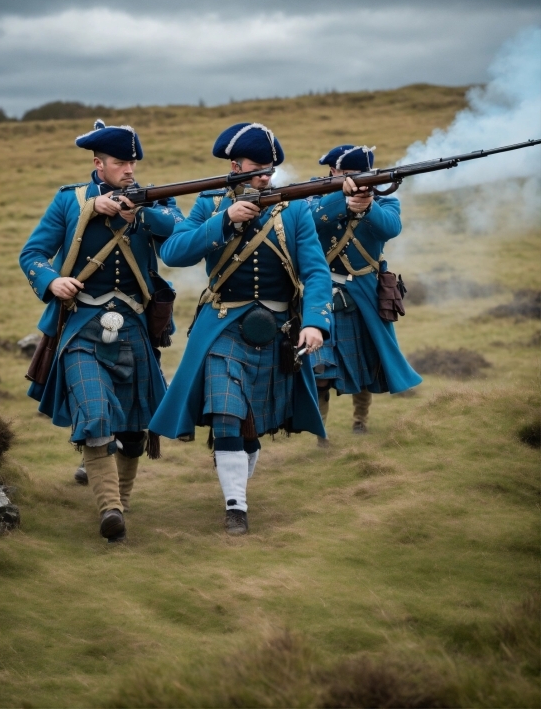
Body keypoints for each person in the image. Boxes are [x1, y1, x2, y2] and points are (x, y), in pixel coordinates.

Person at [148, 122, 332, 536]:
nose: (265, 178)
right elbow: (175, 252)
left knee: (251, 429)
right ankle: (236, 507)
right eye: (256, 169)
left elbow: (317, 274)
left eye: (269, 170)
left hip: (277, 331)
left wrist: (318, 322)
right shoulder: (210, 203)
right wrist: (224, 221)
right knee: (227, 417)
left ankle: (237, 489)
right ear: (234, 166)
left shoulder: (294, 208)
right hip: (221, 327)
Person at [19, 120, 183, 542]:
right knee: (95, 415)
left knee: (133, 428)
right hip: (80, 325)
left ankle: (121, 501)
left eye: (132, 162)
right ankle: (110, 510)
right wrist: (52, 282)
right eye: (120, 162)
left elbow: (180, 236)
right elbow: (33, 253)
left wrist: (139, 210)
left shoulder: (154, 203)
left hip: (134, 326)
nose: (129, 169)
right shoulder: (70, 201)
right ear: (98, 164)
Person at [307, 144, 421, 436]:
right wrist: (342, 200)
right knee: (320, 369)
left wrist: (367, 205)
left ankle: (360, 424)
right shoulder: (315, 196)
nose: (356, 180)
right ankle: (320, 433)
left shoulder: (385, 200)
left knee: (367, 367)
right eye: (348, 174)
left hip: (366, 293)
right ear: (333, 172)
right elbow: (308, 220)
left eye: (361, 174)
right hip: (324, 291)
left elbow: (391, 228)